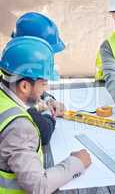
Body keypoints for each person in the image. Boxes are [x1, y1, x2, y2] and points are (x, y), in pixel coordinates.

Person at [0, 36, 92, 193]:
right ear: (24, 86)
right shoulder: (20, 128)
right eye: (43, 84)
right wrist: (76, 163)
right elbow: (38, 186)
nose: (46, 88)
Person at [11, 12, 67, 145]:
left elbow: (30, 86)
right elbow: (44, 132)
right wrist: (49, 113)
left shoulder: (12, 65)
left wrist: (48, 99)